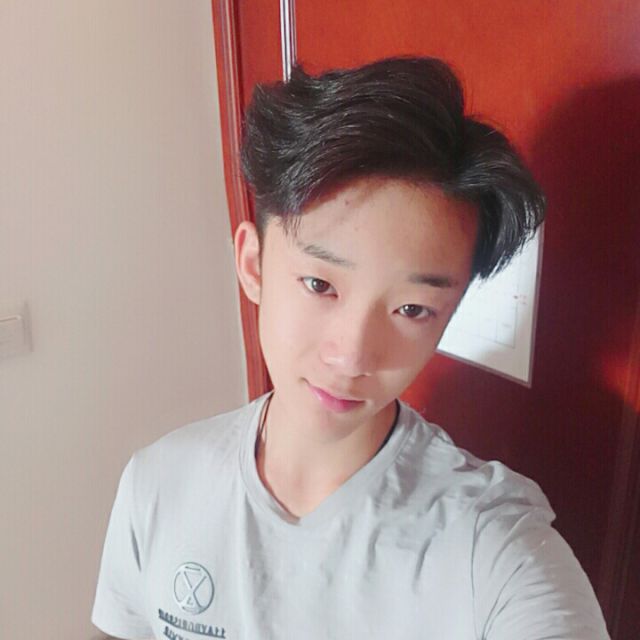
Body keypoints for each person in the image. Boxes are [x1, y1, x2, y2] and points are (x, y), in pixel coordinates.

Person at [92, 57, 610, 639]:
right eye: (320, 285)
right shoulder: (159, 483)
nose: (353, 357)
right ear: (253, 263)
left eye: (411, 310)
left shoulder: (491, 549)